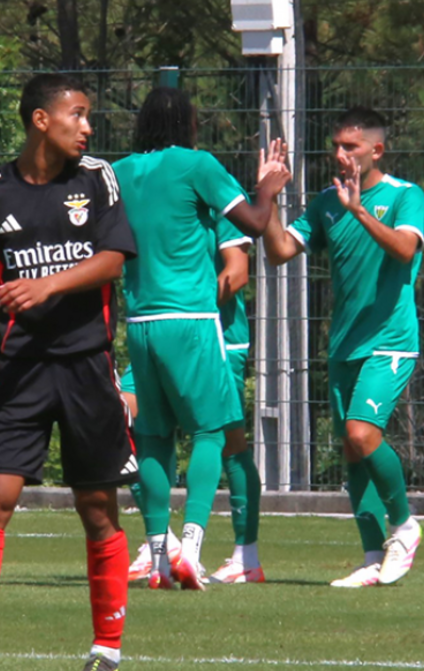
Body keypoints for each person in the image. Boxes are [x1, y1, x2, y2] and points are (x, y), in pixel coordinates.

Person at [0, 73, 138, 671]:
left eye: (88, 115)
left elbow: (113, 260)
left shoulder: (96, 178)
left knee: (97, 509)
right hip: (19, 371)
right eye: (78, 114)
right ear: (41, 120)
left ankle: (107, 651)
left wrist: (47, 285)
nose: (87, 126)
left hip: (88, 366)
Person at [111, 87, 289, 590]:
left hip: (140, 323)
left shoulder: (119, 173)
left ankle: (161, 556)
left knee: (153, 437)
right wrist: (268, 189)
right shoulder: (199, 166)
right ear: (189, 124)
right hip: (190, 319)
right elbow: (255, 223)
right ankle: (189, 547)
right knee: (211, 433)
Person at [261, 107, 424, 588]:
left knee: (361, 433)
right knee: (353, 453)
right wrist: (267, 198)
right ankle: (373, 558)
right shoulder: (326, 202)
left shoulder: (405, 196)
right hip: (344, 346)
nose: (340, 154)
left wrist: (359, 211)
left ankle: (405, 526)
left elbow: (405, 250)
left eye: (350, 146)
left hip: (390, 341)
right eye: (335, 145)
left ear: (377, 150)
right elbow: (279, 251)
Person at [120, 215, 265, 585]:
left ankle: (245, 555)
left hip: (216, 337)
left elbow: (237, 273)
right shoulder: (154, 194)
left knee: (229, 442)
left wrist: (188, 308)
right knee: (123, 420)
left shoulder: (220, 201)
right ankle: (163, 543)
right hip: (159, 329)